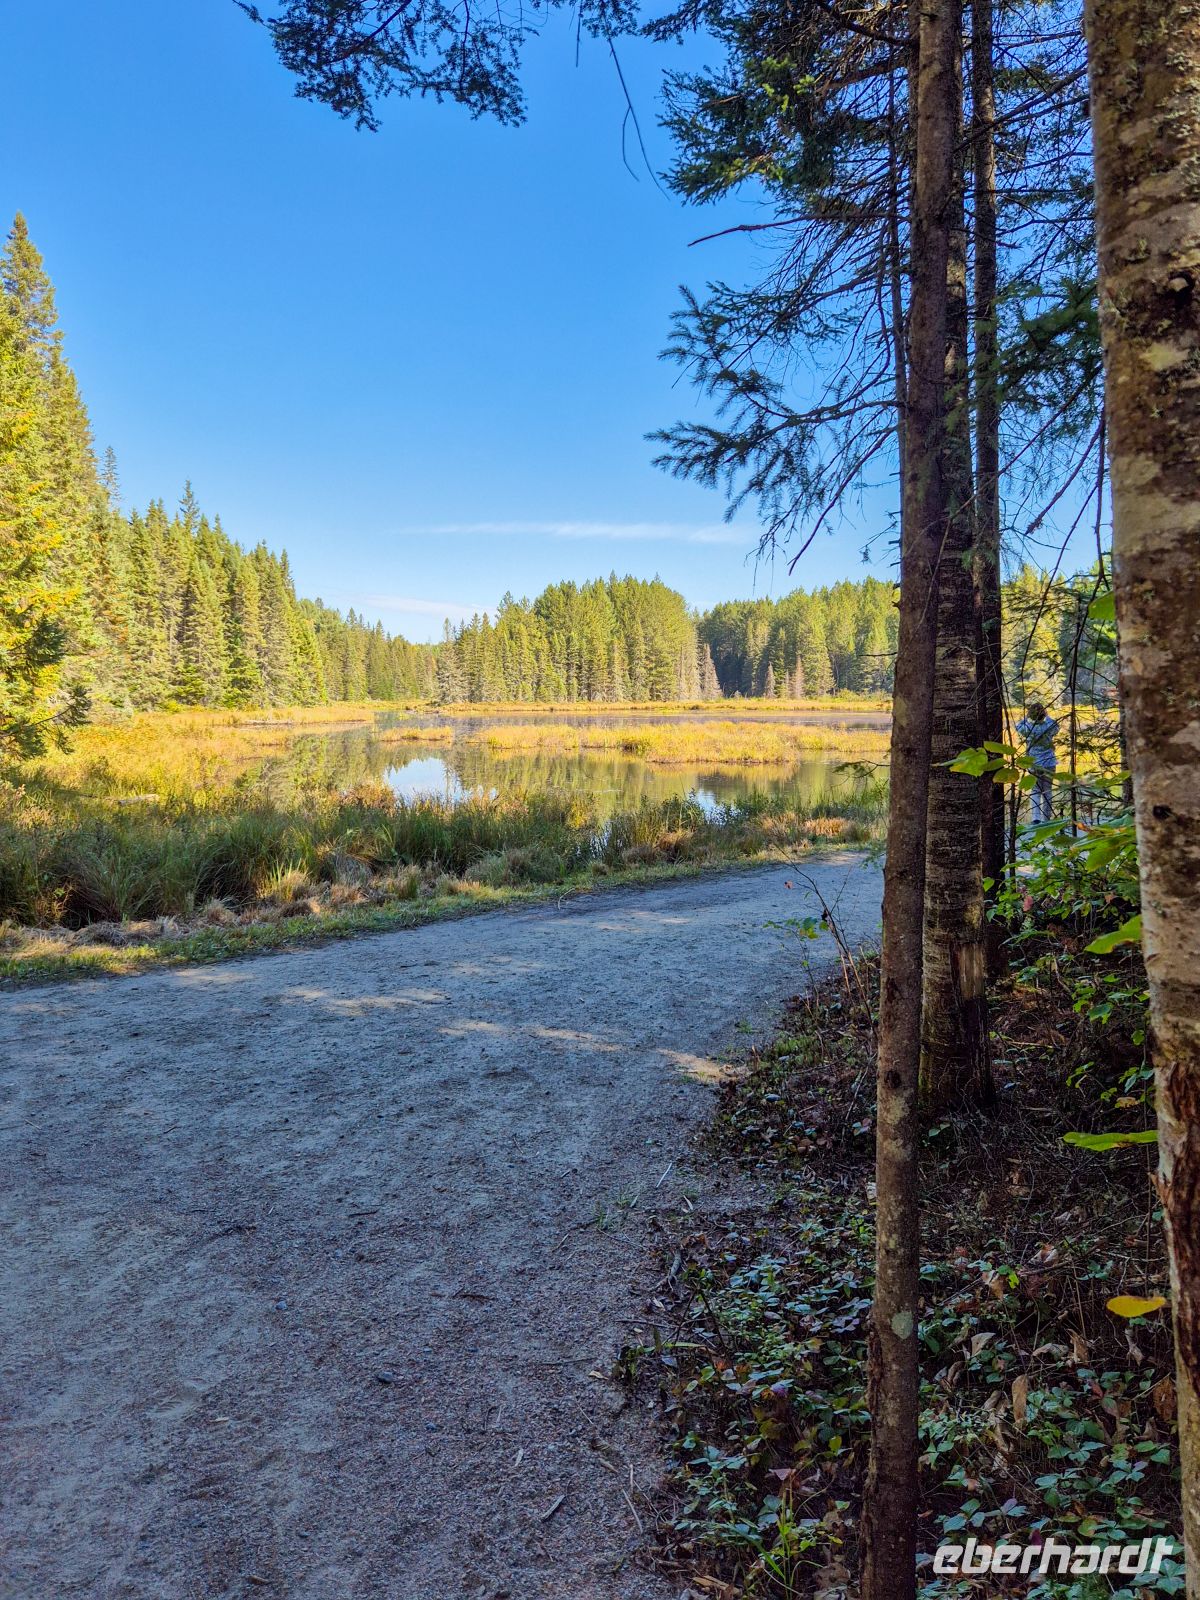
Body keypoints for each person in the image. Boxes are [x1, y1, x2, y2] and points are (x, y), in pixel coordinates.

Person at [1016, 702, 1060, 823]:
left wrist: (1027, 717)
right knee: (1047, 790)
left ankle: (1036, 818)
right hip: (1049, 762)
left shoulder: (1028, 729)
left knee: (1035, 790)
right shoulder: (1049, 727)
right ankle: (1047, 818)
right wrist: (1047, 715)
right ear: (1043, 714)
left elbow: (1017, 726)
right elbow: (1057, 725)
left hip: (1034, 763)